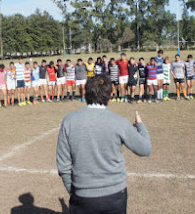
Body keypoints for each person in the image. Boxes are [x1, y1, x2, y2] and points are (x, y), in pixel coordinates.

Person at [57, 76, 151, 214]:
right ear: (110, 95)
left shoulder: (69, 121)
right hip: (115, 195)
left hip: (82, 196)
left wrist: (74, 190)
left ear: (85, 93)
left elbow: (63, 165)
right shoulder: (119, 122)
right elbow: (145, 148)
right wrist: (141, 125)